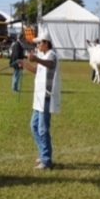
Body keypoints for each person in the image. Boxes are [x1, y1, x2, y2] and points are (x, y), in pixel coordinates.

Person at [18, 29, 61, 170]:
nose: (37, 46)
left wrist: (36, 59)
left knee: (43, 129)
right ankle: (43, 154)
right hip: (38, 98)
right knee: (34, 126)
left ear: (46, 43)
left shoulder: (52, 55)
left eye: (39, 43)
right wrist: (25, 65)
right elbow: (39, 70)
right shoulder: (44, 55)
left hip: (46, 98)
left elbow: (49, 65)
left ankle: (46, 160)